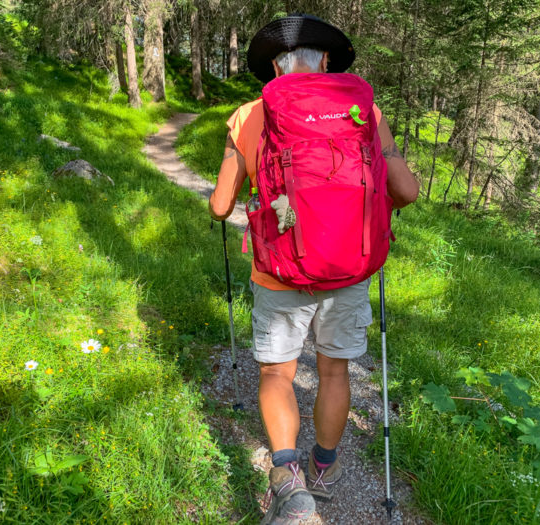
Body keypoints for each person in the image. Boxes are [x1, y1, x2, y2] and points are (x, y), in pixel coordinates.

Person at [209, 14, 419, 524]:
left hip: (279, 268)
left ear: (275, 68)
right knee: (333, 369)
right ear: (326, 61)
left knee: (279, 372)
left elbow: (220, 206)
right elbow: (406, 192)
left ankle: (287, 476)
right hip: (349, 267)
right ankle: (324, 469)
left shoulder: (251, 114)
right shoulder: (363, 111)